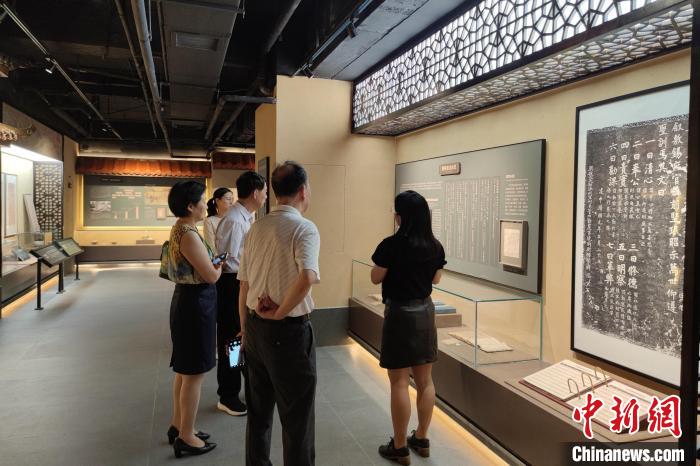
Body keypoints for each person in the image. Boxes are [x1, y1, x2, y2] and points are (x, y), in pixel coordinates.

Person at [238, 161, 320, 466]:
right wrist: (280, 313)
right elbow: (308, 276)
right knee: (297, 418)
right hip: (288, 333)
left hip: (254, 331)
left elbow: (244, 285)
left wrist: (245, 329)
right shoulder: (304, 227)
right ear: (303, 190)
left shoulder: (256, 227)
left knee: (258, 413)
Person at [370, 190, 446, 466]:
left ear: (400, 216)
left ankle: (400, 446)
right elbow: (436, 279)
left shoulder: (390, 245)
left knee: (400, 382)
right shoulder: (434, 246)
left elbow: (375, 277)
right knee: (425, 381)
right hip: (425, 312)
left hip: (399, 314)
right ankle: (422, 438)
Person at [165, 180, 222, 458]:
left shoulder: (180, 228)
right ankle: (186, 436)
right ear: (190, 206)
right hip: (196, 306)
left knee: (184, 371)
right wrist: (219, 265)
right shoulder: (188, 234)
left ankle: (179, 425)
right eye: (201, 201)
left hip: (187, 303)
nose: (205, 205)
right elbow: (210, 275)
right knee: (194, 374)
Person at [214, 172, 267, 416]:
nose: (265, 196)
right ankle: (228, 394)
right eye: (264, 191)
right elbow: (224, 259)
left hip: (239, 283)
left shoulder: (244, 217)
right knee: (232, 340)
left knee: (240, 337)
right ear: (255, 193)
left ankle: (239, 387)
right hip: (231, 285)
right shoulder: (235, 220)